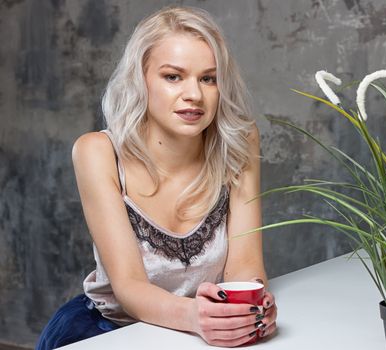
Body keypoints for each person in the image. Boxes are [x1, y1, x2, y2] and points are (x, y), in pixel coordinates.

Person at [36, 6, 277, 349]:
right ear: (141, 78)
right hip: (110, 329)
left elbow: (245, 265)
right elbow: (130, 288)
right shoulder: (97, 152)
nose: (194, 94)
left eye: (208, 78)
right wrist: (196, 317)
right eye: (173, 76)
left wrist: (250, 309)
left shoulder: (240, 140)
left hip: (198, 330)